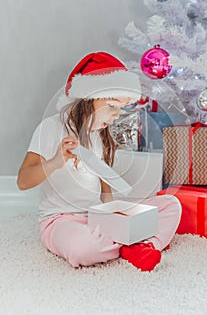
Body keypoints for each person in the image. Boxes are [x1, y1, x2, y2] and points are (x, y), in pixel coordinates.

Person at [17, 51, 181, 272]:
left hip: (98, 217)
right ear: (89, 98)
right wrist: (56, 161)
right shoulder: (51, 127)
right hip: (62, 221)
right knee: (83, 249)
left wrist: (114, 216)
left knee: (170, 205)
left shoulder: (101, 134)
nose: (116, 115)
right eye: (112, 106)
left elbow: (105, 186)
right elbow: (23, 181)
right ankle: (133, 245)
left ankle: (140, 243)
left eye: (121, 109)